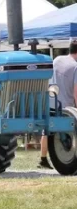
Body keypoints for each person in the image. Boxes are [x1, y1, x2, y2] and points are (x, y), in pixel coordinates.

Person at [38, 40, 77, 169]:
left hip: (51, 101)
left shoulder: (57, 60)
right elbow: (76, 91)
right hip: (66, 105)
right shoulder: (75, 66)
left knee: (47, 130)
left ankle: (43, 158)